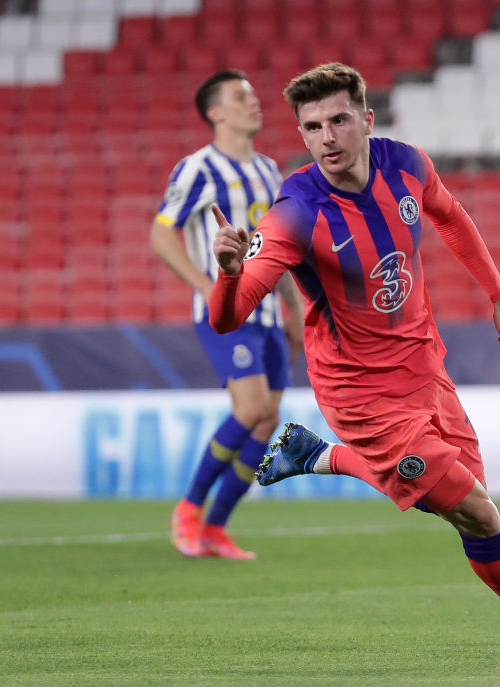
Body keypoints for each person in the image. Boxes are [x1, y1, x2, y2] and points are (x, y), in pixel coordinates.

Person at [206, 63, 500, 657]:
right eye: (313, 127)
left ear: (367, 120)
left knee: (467, 500)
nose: (327, 137)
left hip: (424, 367)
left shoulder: (407, 166)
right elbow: (228, 316)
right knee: (477, 513)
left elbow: (451, 216)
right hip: (360, 394)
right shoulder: (294, 212)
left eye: (339, 120)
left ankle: (321, 457)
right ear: (301, 135)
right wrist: (228, 272)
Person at [151, 69, 304, 560]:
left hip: (268, 315)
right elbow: (161, 233)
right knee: (251, 409)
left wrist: (295, 307)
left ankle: (216, 528)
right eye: (240, 96)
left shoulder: (269, 171)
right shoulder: (196, 168)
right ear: (215, 112)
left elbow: (276, 247)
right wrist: (205, 286)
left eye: (253, 95)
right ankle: (189, 508)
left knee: (268, 420)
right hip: (226, 314)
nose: (253, 102)